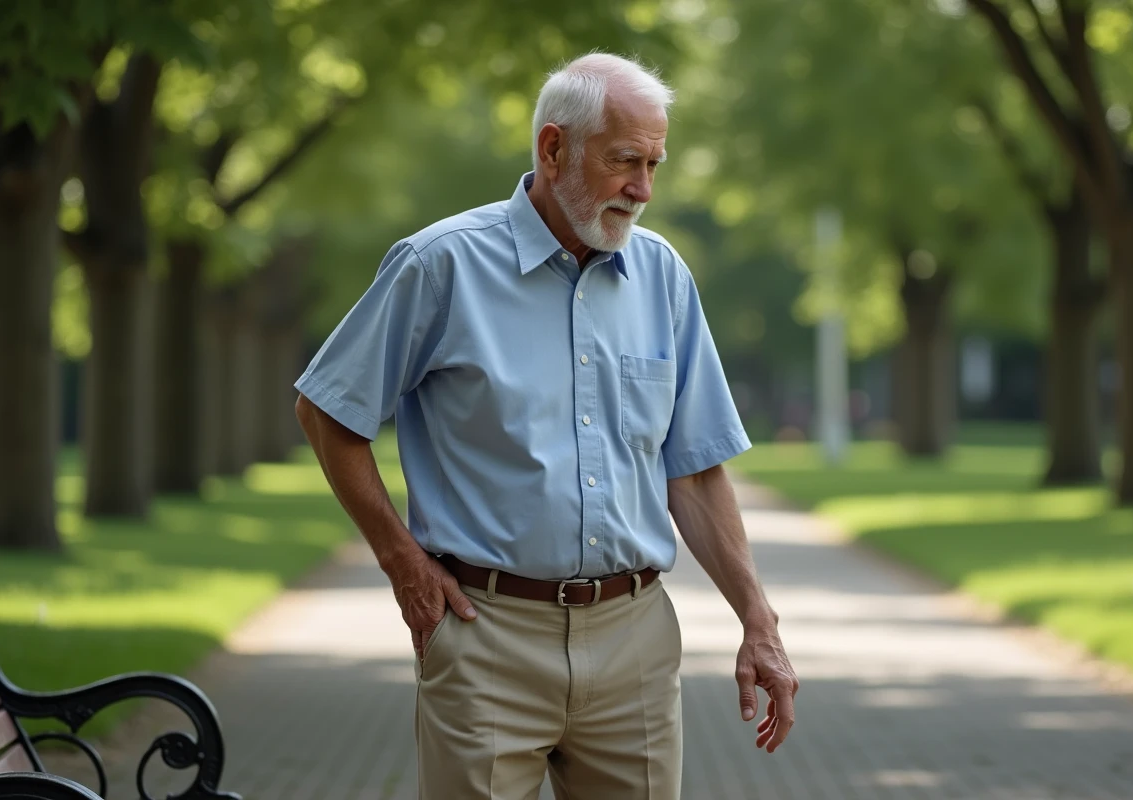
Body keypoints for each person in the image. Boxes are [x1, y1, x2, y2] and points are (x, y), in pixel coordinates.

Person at [293, 52, 798, 800]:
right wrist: (402, 562)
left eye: (656, 163)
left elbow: (692, 468)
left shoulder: (663, 276)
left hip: (636, 641)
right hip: (486, 634)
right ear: (553, 148)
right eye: (626, 160)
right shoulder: (442, 265)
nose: (644, 189)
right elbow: (328, 410)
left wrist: (759, 621)